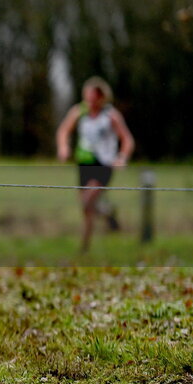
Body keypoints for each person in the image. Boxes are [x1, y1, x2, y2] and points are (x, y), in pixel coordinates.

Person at [56, 76, 135, 252]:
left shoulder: (111, 115)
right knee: (87, 209)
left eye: (93, 98)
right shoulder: (78, 112)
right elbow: (63, 130)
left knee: (88, 200)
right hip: (84, 163)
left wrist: (122, 157)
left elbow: (127, 140)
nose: (90, 102)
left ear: (101, 97)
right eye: (87, 97)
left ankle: (102, 218)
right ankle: (87, 244)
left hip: (104, 164)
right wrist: (63, 147)